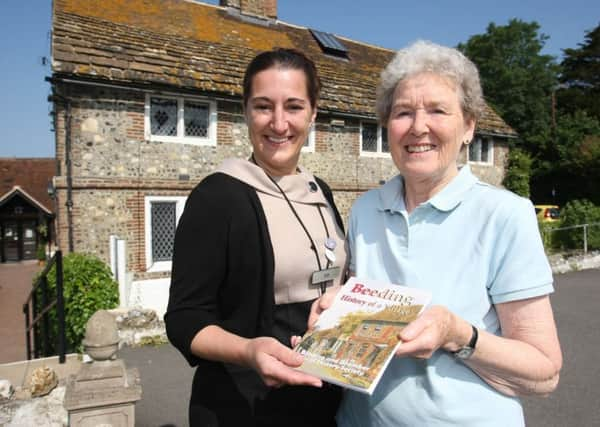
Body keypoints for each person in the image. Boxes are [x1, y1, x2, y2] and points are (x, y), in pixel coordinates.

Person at [309, 40, 562, 427]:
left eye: (438, 110)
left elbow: (544, 373)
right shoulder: (365, 209)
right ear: (387, 126)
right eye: (403, 113)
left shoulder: (504, 215)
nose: (418, 127)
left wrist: (457, 334)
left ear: (469, 127)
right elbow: (367, 314)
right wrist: (336, 309)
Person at [164, 48, 346, 427]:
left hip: (322, 402)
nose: (279, 124)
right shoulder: (217, 198)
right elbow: (184, 320)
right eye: (264, 106)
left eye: (294, 107)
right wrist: (249, 350)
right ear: (245, 111)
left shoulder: (320, 191)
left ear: (314, 112)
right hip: (243, 407)